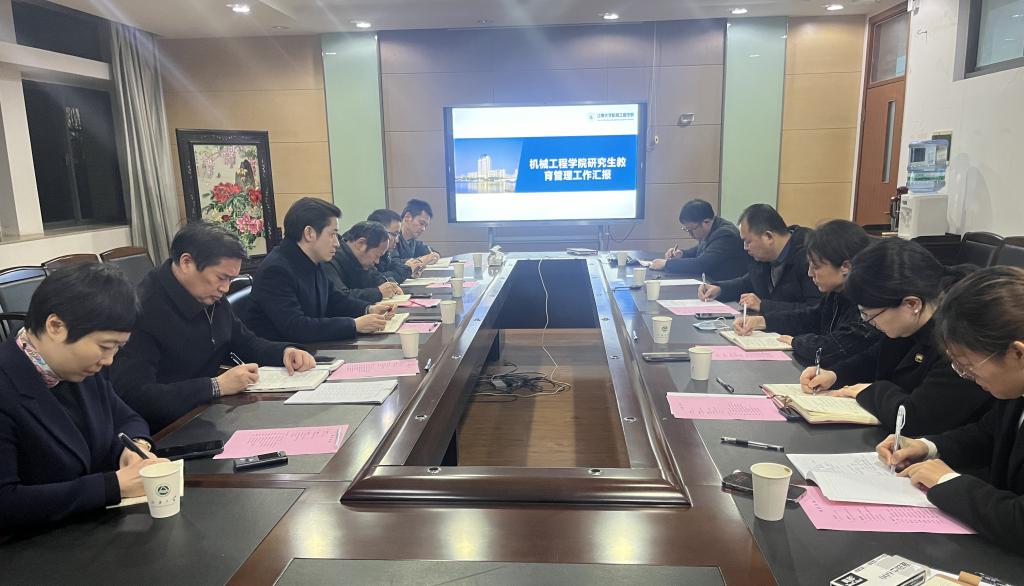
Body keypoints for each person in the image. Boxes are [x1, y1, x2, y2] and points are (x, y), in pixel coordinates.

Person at [0, 264, 168, 531]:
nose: (109, 360)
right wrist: (113, 486)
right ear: (56, 326)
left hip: (94, 529)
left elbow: (127, 417)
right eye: (104, 346)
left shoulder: (79, 369)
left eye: (118, 348)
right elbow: (6, 502)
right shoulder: (8, 384)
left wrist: (135, 448)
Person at [110, 222, 316, 432]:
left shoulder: (207, 294)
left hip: (210, 413)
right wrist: (215, 386)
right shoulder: (142, 310)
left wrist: (284, 352)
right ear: (187, 262)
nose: (225, 288)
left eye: (231, 279)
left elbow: (244, 341)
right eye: (221, 278)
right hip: (166, 429)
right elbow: (136, 396)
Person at [877, 266, 1024, 554]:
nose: (967, 376)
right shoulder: (1014, 386)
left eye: (969, 366)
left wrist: (947, 481)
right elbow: (987, 434)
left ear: (1017, 353)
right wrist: (927, 447)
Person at [800, 238, 993, 435]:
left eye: (870, 315)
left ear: (912, 304)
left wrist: (871, 391)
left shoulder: (958, 342)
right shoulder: (910, 326)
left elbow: (916, 418)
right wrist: (835, 374)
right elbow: (875, 357)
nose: (868, 322)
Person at [733, 220, 881, 368]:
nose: (810, 273)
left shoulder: (868, 305)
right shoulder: (837, 293)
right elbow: (810, 317)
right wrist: (762, 321)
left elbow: (832, 348)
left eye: (816, 267)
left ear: (845, 267)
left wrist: (795, 342)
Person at [247, 197, 392, 343]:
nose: (337, 243)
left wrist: (368, 309)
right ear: (309, 233)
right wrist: (354, 325)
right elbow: (296, 327)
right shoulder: (276, 270)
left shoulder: (313, 261)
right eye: (332, 234)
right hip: (286, 353)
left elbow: (334, 299)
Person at [698, 204, 821, 314]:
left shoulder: (810, 256)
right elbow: (749, 282)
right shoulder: (763, 257)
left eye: (748, 242)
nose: (745, 247)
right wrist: (720, 289)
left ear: (768, 237)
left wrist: (763, 305)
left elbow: (815, 310)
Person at [648, 199, 747, 281]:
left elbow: (701, 264)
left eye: (691, 230)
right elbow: (699, 249)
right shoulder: (713, 227)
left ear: (706, 222)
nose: (690, 234)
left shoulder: (725, 235)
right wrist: (682, 253)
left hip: (727, 290)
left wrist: (666, 264)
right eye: (687, 230)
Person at [323, 221, 402, 304]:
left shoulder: (361, 262)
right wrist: (378, 293)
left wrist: (389, 285)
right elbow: (340, 297)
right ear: (360, 244)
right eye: (377, 255)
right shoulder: (330, 261)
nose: (377, 262)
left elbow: (374, 277)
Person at [368, 208, 417, 282]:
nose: (397, 240)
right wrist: (407, 270)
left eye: (398, 235)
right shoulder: (366, 253)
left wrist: (409, 269)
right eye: (394, 234)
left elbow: (393, 266)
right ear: (378, 231)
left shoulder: (385, 254)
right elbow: (376, 280)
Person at [395, 198, 440, 266]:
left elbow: (428, 251)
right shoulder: (391, 238)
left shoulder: (412, 241)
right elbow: (392, 263)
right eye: (421, 223)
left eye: (425, 226)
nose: (423, 229)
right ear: (407, 217)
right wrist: (420, 261)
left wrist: (435, 255)